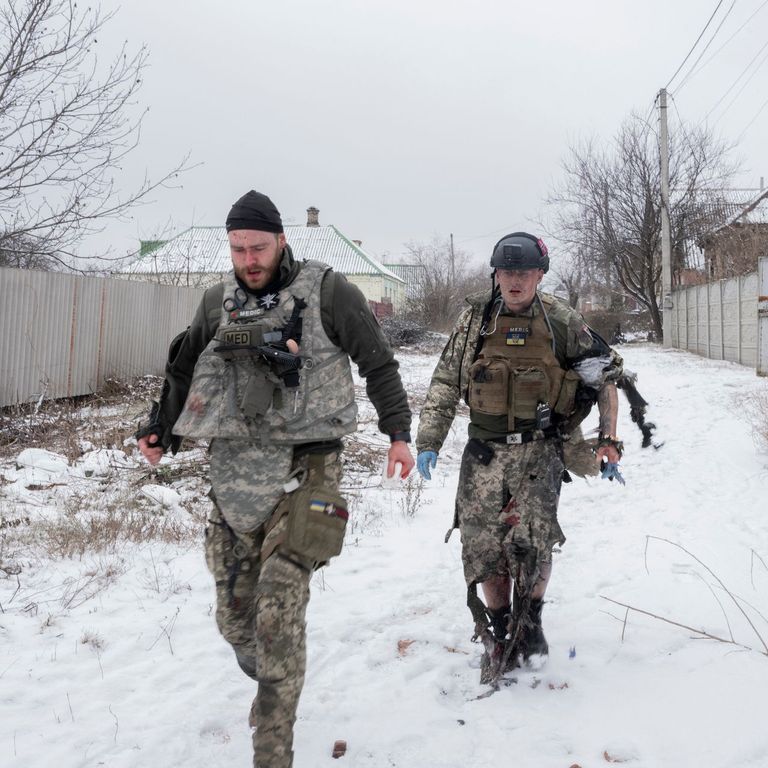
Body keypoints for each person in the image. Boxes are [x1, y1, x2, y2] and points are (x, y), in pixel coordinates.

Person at [136, 190, 414, 767]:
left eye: (258, 247)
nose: (248, 259)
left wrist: (398, 433)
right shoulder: (216, 301)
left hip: (308, 466)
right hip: (233, 469)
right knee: (236, 621)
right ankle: (270, 674)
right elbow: (184, 365)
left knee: (278, 615)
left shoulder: (330, 292)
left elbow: (378, 362)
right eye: (238, 249)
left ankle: (272, 749)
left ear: (281, 240)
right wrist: (160, 426)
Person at [415, 232, 623, 686]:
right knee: (486, 551)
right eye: (507, 272)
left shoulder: (563, 321)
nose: (514, 281)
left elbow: (606, 376)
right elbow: (445, 383)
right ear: (496, 274)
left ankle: (530, 625)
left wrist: (608, 437)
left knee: (534, 544)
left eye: (524, 273)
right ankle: (498, 630)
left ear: (539, 275)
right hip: (484, 455)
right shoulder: (475, 320)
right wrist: (428, 438)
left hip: (539, 453)